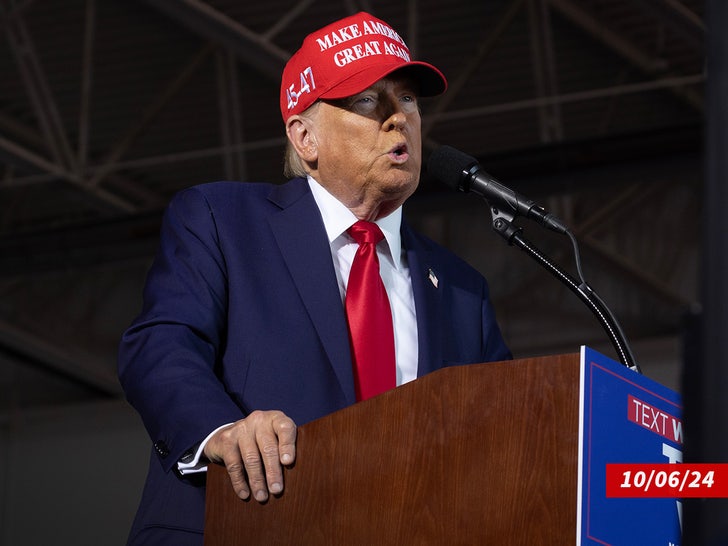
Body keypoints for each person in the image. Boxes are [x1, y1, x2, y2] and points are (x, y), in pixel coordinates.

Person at [118, 10, 511, 545]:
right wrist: (223, 431)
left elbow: (506, 436)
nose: (399, 119)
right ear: (305, 138)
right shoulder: (221, 220)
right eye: (368, 101)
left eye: (409, 99)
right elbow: (160, 345)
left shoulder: (463, 290)